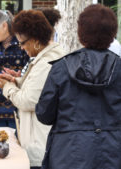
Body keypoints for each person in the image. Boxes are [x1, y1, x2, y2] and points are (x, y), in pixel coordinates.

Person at [36, 4, 121, 169]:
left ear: (81, 32)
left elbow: (44, 114)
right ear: (113, 33)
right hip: (113, 152)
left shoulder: (61, 67)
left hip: (68, 153)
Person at [0, 10, 66, 169]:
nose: (22, 48)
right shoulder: (44, 58)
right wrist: (17, 81)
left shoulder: (47, 63)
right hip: (39, 144)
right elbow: (39, 90)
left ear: (36, 40)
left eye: (23, 43)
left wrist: (8, 87)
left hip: (39, 148)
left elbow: (28, 100)